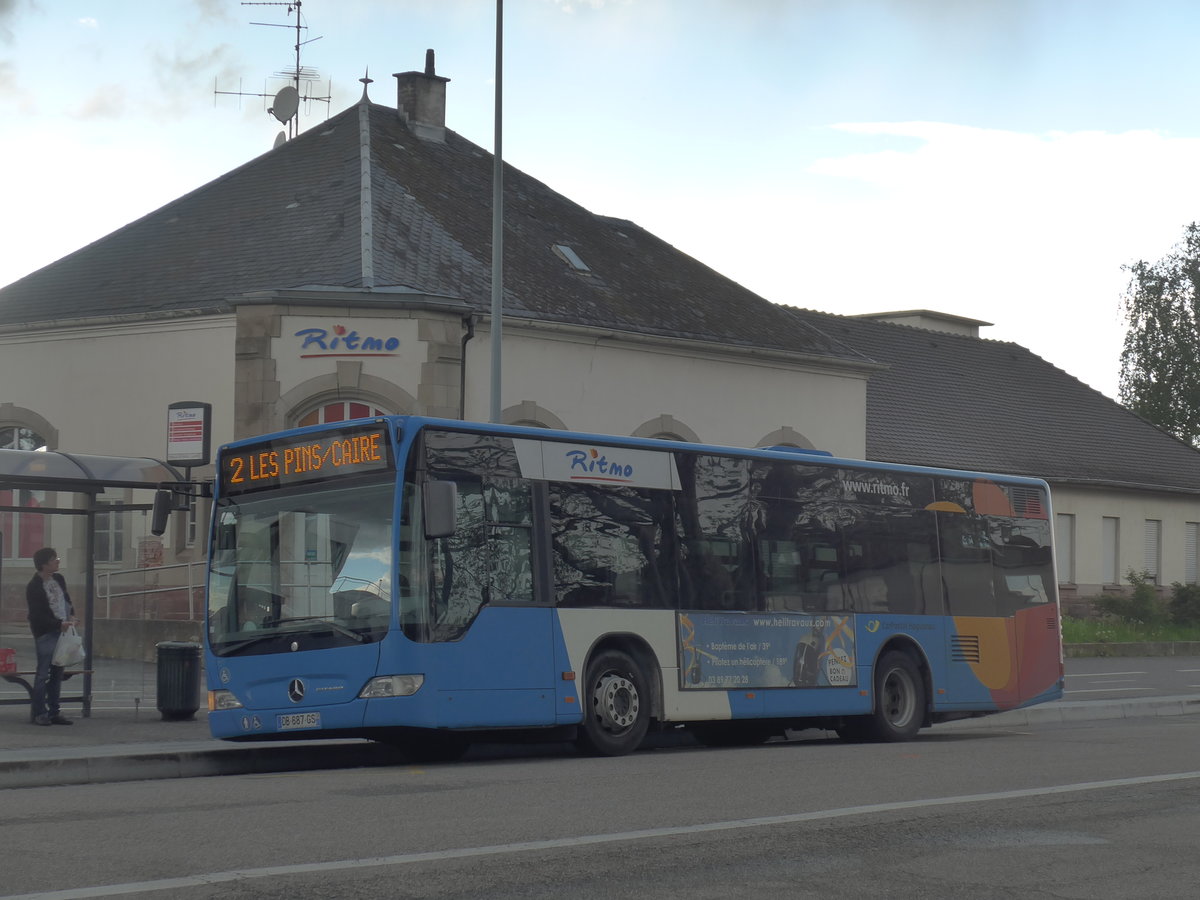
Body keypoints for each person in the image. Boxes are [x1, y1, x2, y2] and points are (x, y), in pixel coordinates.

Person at [25, 547, 78, 726]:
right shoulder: (34, 586)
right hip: (46, 634)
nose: (58, 561)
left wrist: (72, 615)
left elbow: (66, 599)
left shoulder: (59, 579)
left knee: (57, 673)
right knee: (42, 674)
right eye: (54, 559)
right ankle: (40, 713)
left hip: (63, 632)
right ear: (44, 564)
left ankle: (54, 712)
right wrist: (57, 624)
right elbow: (36, 615)